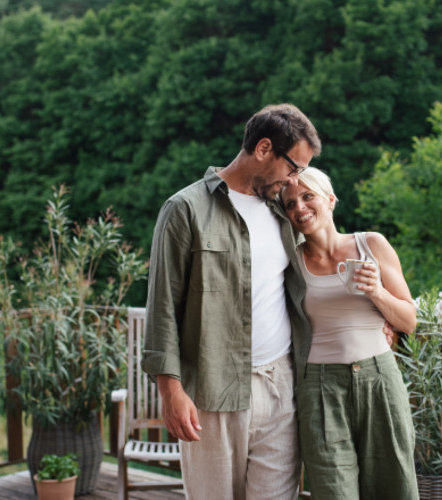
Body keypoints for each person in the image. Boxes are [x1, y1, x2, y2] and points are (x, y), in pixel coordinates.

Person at [142, 103, 317, 499]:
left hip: (280, 386)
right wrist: (170, 390)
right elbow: (163, 305)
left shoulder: (282, 211)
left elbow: (320, 264)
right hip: (210, 392)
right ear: (264, 148)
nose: (294, 180)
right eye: (293, 167)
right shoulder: (184, 209)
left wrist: (376, 311)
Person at [281, 168, 418, 500]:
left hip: (380, 380)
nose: (299, 208)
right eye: (289, 203)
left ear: (330, 199)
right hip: (320, 387)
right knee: (333, 491)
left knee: (394, 486)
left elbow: (409, 321)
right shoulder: (290, 264)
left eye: (307, 196)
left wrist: (377, 293)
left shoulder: (371, 244)